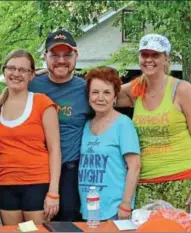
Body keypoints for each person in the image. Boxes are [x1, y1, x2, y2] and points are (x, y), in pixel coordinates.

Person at [117, 34, 191, 209]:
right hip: (145, 181)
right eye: (144, 55)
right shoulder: (135, 89)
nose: (149, 60)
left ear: (166, 58)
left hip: (181, 179)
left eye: (155, 55)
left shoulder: (181, 89)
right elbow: (99, 93)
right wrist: (53, 76)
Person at [0, 49, 61, 225]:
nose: (16, 74)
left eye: (23, 70)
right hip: (5, 184)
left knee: (32, 231)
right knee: (14, 232)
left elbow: (55, 150)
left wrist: (53, 192)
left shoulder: (42, 103)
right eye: (12, 68)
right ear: (4, 71)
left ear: (31, 75)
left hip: (37, 183)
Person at [28, 29, 93, 221]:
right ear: (45, 57)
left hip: (70, 172)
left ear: (76, 56)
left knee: (68, 225)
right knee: (36, 226)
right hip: (36, 170)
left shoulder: (87, 89)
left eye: (67, 55)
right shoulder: (31, 86)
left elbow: (117, 97)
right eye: (54, 55)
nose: (61, 60)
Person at [78, 67, 141, 221]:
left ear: (114, 97)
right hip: (89, 209)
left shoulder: (123, 124)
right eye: (95, 92)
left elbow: (135, 166)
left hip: (114, 210)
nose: (100, 98)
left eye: (106, 92)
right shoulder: (86, 125)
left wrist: (125, 204)